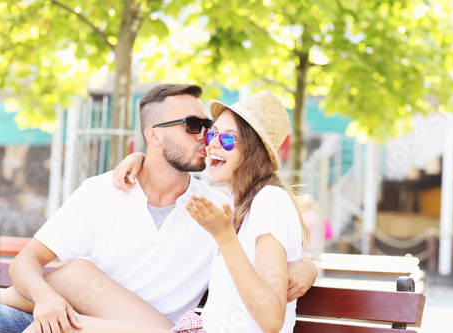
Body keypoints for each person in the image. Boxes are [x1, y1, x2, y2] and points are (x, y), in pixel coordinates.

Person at [0, 84, 316, 333]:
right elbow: (24, 263)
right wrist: (44, 297)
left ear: (252, 152)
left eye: (212, 130)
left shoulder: (219, 210)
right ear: (153, 137)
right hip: (64, 309)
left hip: (153, 328)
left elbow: (269, 244)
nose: (206, 139)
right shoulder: (106, 190)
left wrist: (307, 267)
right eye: (196, 127)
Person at [118, 90, 309, 331]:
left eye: (228, 139)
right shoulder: (235, 205)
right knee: (76, 278)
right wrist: (138, 159)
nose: (212, 145)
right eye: (212, 134)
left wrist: (224, 236)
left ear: (252, 151)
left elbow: (272, 319)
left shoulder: (269, 201)